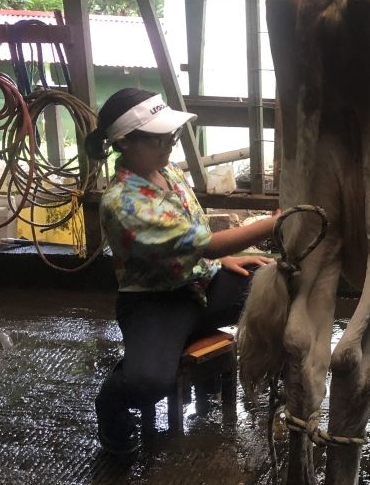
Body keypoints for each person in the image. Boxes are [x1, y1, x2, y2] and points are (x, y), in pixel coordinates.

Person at [85, 88, 280, 455]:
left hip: (201, 282)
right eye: (160, 139)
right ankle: (111, 402)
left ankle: (199, 353)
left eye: (171, 136)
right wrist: (274, 224)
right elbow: (206, 242)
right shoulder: (123, 201)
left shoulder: (168, 172)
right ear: (125, 143)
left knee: (272, 282)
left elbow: (192, 240)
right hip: (155, 303)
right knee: (150, 381)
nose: (169, 145)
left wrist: (221, 263)